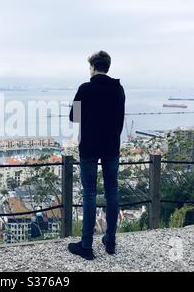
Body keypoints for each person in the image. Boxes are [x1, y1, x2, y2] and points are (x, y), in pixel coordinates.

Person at [67, 51, 125, 260]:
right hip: (111, 146)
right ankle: (110, 241)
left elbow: (74, 117)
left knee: (89, 193)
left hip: (89, 147)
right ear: (107, 67)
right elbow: (120, 120)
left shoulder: (85, 88)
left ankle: (86, 245)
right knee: (112, 191)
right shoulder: (118, 89)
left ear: (92, 67)